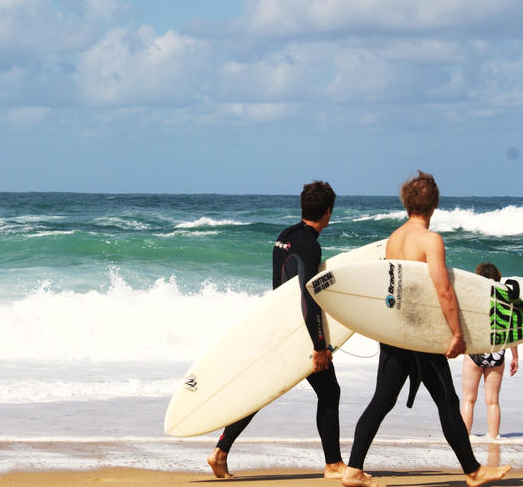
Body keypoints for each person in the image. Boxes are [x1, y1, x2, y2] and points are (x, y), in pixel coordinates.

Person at [341, 172, 510, 487]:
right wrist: (457, 334)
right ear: (434, 205)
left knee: (382, 399)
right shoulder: (431, 240)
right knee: (447, 399)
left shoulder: (393, 239)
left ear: (406, 204)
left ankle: (353, 469)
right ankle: (473, 472)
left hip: (395, 331)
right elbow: (443, 290)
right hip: (419, 335)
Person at [207, 181, 346, 480]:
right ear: (327, 212)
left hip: (278, 327)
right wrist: (320, 345)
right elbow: (307, 296)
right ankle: (333, 464)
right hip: (299, 333)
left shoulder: (285, 236)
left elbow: (280, 289)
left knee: (262, 391)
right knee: (330, 392)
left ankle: (220, 452)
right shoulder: (310, 244)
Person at [461, 262, 519, 440]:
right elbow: (509, 329)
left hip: (476, 352)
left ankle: (464, 439)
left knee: (469, 399)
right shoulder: (505, 301)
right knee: (493, 400)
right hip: (497, 353)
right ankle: (494, 439)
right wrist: (515, 357)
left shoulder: (474, 298)